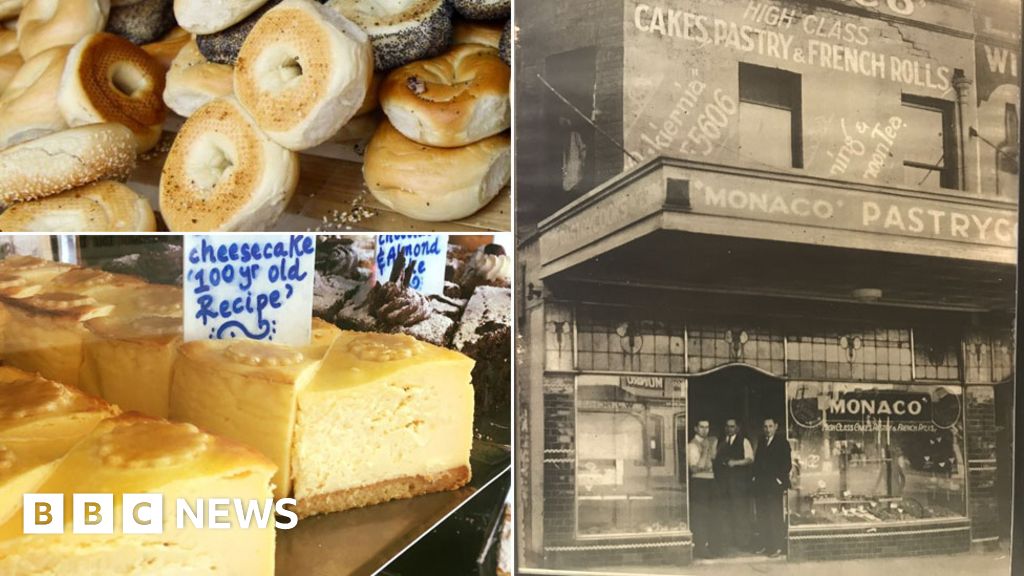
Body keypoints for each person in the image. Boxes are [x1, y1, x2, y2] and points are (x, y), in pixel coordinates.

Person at [752, 417, 791, 558]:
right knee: (762, 515)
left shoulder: (782, 442)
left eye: (770, 426)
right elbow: (757, 461)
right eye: (765, 426)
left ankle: (777, 547)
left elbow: (787, 464)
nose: (767, 429)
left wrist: (778, 480)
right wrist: (754, 477)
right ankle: (765, 545)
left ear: (776, 426)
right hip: (761, 485)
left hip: (774, 486)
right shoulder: (762, 441)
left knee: (774, 515)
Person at [713, 418, 753, 554]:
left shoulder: (744, 441)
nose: (729, 429)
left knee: (740, 511)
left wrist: (735, 463)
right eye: (727, 426)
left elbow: (750, 459)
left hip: (739, 483)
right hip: (724, 483)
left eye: (732, 426)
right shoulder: (722, 441)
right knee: (726, 511)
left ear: (737, 428)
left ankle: (743, 542)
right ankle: (728, 541)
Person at [687, 419, 717, 558]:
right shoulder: (692, 446)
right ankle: (700, 547)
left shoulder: (709, 443)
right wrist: (705, 450)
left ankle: (707, 545)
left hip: (710, 481)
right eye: (702, 427)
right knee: (700, 516)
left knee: (710, 514)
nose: (705, 430)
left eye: (707, 427)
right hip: (699, 483)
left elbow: (713, 461)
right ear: (695, 428)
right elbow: (695, 468)